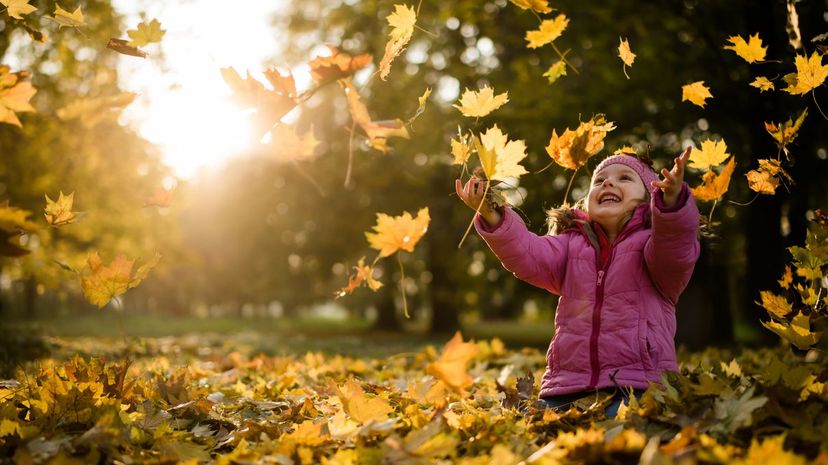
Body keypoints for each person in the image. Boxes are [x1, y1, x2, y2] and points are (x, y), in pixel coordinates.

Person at [455, 148, 700, 418]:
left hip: (638, 384)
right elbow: (527, 254)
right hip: (569, 385)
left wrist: (673, 205)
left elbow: (676, 246)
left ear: (648, 199)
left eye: (624, 179)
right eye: (599, 180)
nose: (608, 183)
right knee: (539, 425)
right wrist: (492, 215)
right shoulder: (570, 244)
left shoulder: (654, 247)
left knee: (622, 426)